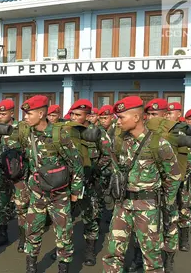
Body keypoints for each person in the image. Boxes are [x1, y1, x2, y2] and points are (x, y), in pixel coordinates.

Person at [102, 96, 181, 273]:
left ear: (136, 117)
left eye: (122, 117)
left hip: (148, 207)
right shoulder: (120, 142)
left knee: (151, 257)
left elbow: (173, 176)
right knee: (113, 254)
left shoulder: (158, 144)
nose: (118, 121)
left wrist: (166, 205)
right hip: (122, 204)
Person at [22, 95, 84, 273]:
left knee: (63, 233)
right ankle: (31, 266)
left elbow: (76, 163)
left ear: (41, 113)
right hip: (37, 192)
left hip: (59, 194)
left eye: (29, 113)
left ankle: (63, 268)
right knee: (32, 230)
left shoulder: (58, 134)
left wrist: (76, 192)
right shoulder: (28, 133)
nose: (25, 117)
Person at [70, 99, 113, 266]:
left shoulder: (96, 133)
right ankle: (65, 249)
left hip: (90, 182)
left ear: (88, 116)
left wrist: (95, 170)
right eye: (72, 114)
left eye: (78, 115)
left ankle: (90, 250)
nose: (74, 117)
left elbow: (107, 155)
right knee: (66, 218)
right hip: (68, 183)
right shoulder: (66, 131)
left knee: (91, 216)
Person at [0, 99, 29, 252]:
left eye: (3, 113)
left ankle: (23, 239)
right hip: (1, 173)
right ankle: (2, 234)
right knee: (2, 205)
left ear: (12, 113)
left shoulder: (21, 128)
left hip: (19, 175)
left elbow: (28, 149)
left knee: (21, 206)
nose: (0, 116)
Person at [166, 102, 191, 252]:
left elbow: (188, 159)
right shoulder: (163, 132)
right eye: (167, 113)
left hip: (181, 178)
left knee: (183, 207)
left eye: (172, 113)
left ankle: (184, 239)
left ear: (179, 114)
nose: (169, 116)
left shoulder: (182, 133)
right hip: (167, 179)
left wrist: (180, 177)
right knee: (169, 211)